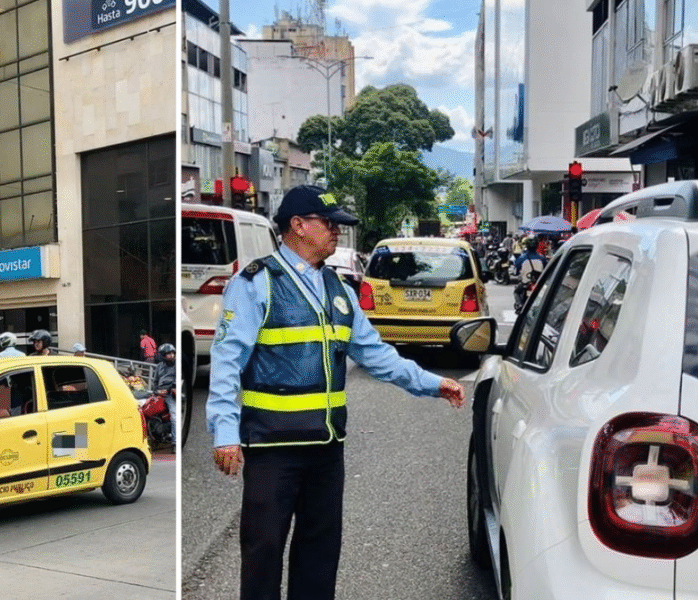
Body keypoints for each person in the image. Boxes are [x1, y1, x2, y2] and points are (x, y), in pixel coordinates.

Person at [207, 184, 465, 600]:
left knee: (320, 554)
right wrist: (224, 431)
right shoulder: (256, 283)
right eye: (328, 224)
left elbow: (376, 355)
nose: (336, 232)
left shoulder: (340, 291)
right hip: (273, 446)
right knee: (263, 553)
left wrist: (433, 384)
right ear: (298, 226)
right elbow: (225, 361)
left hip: (326, 448)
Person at [153, 343, 177, 444]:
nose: (171, 355)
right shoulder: (159, 366)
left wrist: (170, 389)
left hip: (170, 393)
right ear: (163, 355)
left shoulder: (177, 365)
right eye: (168, 354)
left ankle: (175, 441)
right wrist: (156, 391)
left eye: (172, 353)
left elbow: (177, 380)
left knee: (174, 417)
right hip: (158, 393)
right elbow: (155, 381)